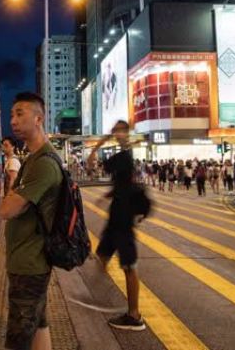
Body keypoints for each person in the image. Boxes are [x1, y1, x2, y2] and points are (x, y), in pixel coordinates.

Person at [0, 92, 62, 350]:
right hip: (29, 260)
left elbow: (6, 210)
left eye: (20, 113)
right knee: (38, 324)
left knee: (17, 339)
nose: (13, 120)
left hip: (30, 264)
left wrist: (12, 194)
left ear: (38, 118)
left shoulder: (43, 164)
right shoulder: (33, 159)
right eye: (12, 114)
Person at [88, 120, 148, 331]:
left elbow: (91, 165)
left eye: (122, 131)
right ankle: (99, 297)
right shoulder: (125, 155)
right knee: (102, 255)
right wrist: (107, 195)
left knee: (129, 265)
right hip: (116, 216)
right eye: (117, 132)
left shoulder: (123, 156)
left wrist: (99, 144)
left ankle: (134, 315)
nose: (119, 134)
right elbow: (122, 183)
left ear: (126, 134)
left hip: (122, 218)